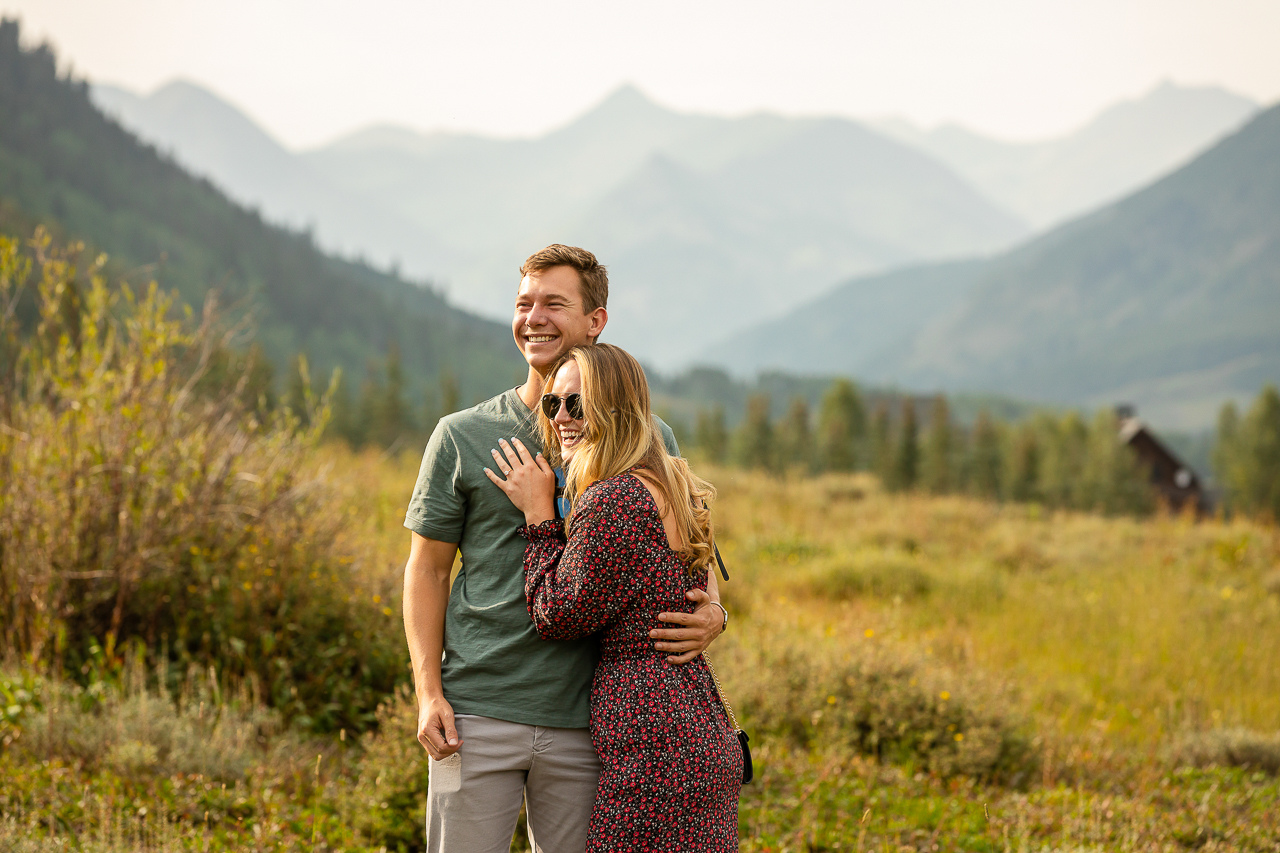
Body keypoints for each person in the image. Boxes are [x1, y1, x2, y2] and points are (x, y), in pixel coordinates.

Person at [402, 245, 727, 853]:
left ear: (595, 321)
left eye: (555, 303)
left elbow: (689, 546)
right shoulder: (462, 434)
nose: (535, 318)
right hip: (476, 711)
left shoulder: (647, 435)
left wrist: (712, 612)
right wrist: (428, 693)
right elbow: (427, 570)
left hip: (589, 724)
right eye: (524, 304)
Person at [484, 343, 740, 851]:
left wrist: (539, 518)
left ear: (616, 409)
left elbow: (557, 613)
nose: (560, 418)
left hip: (654, 740)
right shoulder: (673, 481)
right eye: (551, 404)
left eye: (576, 404)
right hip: (695, 722)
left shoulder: (615, 498)